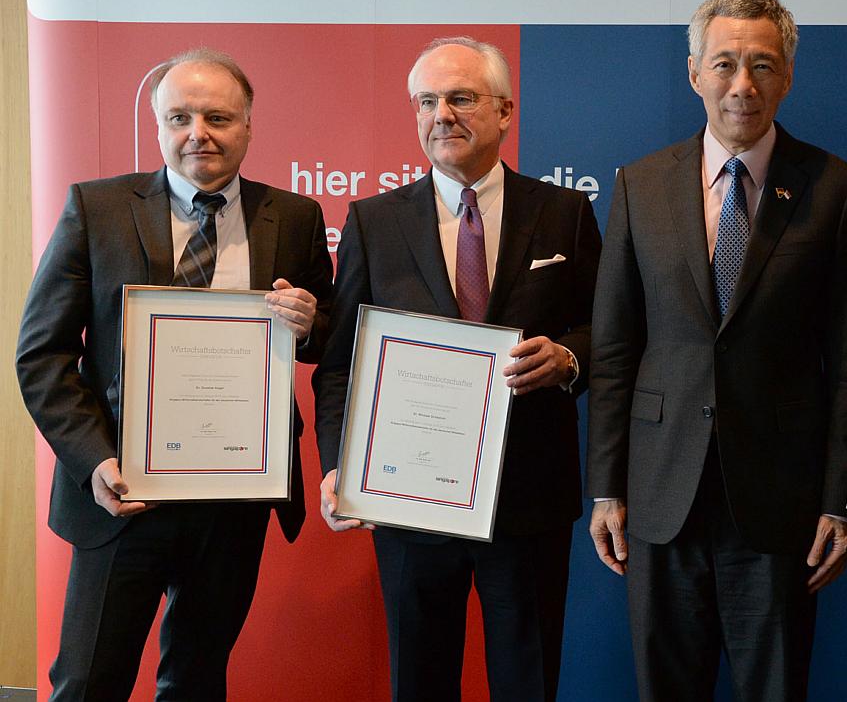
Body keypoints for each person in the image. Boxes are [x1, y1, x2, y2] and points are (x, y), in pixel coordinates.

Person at [15, 48, 333, 701]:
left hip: (235, 499)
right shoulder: (95, 209)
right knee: (87, 680)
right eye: (180, 116)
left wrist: (311, 322)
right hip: (122, 491)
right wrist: (93, 461)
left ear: (248, 125)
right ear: (159, 126)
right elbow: (41, 352)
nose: (199, 133)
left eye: (218, 116)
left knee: (195, 679)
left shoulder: (295, 218)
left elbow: (322, 337)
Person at [586, 0, 847, 701]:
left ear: (788, 75)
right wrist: (607, 487)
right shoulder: (639, 184)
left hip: (780, 504)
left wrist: (840, 499)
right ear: (694, 73)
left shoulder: (837, 189)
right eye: (724, 64)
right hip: (659, 497)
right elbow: (616, 348)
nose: (742, 85)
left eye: (762, 65)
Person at [311, 37, 600, 702]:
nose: (442, 114)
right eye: (427, 101)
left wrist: (567, 358)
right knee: (421, 681)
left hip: (528, 500)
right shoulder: (373, 222)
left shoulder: (564, 213)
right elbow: (339, 366)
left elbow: (603, 328)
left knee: (528, 681)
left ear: (504, 111)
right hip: (408, 501)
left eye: (461, 98)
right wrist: (336, 465)